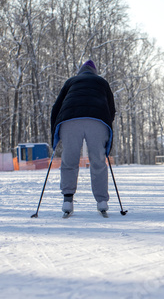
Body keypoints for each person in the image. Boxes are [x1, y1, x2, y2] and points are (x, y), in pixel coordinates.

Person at [50, 60, 116, 215]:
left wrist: (55, 132)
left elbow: (56, 107)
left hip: (70, 120)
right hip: (97, 119)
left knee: (69, 160)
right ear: (95, 72)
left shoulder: (71, 82)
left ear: (80, 72)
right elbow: (111, 108)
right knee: (98, 161)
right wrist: (107, 126)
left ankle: (67, 201)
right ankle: (102, 201)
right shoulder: (101, 82)